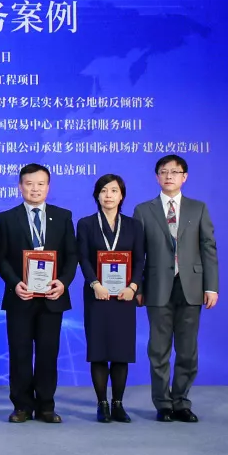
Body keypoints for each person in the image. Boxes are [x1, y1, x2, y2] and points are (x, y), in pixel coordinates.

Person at [132, 155, 219, 423]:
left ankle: (181, 401)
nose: (169, 176)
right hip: (157, 287)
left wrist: (211, 287)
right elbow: (138, 254)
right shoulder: (143, 210)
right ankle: (163, 404)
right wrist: (137, 286)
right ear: (157, 177)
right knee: (158, 350)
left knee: (187, 350)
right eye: (163, 172)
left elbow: (208, 248)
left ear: (185, 177)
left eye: (174, 172)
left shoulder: (198, 208)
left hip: (191, 287)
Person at [0, 163, 78, 424]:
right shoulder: (7, 218)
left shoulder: (63, 216)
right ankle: (21, 406)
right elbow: (0, 257)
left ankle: (46, 406)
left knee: (47, 353)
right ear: (20, 186)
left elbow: (72, 255)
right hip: (20, 296)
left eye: (40, 184)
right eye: (29, 184)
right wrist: (15, 283)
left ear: (48, 187)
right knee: (19, 353)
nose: (35, 189)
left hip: (52, 297)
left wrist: (63, 283)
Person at [76, 174, 144, 423]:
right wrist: (95, 284)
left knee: (120, 351)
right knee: (99, 350)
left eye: (114, 190)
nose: (108, 195)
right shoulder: (86, 224)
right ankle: (102, 404)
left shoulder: (134, 225)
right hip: (98, 295)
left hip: (124, 296)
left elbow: (140, 259)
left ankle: (118, 404)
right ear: (97, 195)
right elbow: (83, 257)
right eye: (104, 190)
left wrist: (133, 287)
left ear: (121, 195)